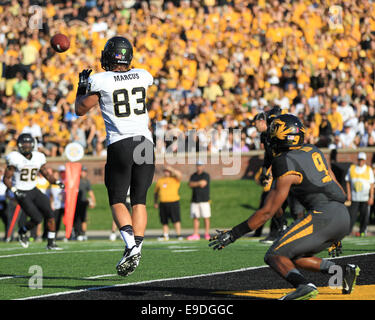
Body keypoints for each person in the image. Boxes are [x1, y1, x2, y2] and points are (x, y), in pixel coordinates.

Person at [209, 114, 359, 300]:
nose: (271, 142)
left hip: (324, 215)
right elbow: (337, 188)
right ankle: (342, 272)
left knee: (274, 254)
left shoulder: (285, 161)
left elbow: (267, 212)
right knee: (293, 256)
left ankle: (304, 286)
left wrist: (233, 234)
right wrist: (334, 231)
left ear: (282, 138)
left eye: (273, 137)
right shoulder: (313, 150)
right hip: (341, 215)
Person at [75, 36, 155, 277]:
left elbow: (79, 109)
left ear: (109, 56)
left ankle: (131, 245)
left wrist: (81, 87)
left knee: (117, 198)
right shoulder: (143, 74)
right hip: (146, 143)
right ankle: (137, 247)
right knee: (139, 199)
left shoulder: (100, 80)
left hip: (121, 143)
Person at [2, 133, 64, 250]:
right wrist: (14, 190)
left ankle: (51, 243)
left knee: (50, 214)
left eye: (28, 143)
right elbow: (6, 179)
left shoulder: (38, 157)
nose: (26, 146)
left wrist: (56, 182)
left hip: (33, 189)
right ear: (19, 145)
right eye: (24, 144)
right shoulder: (15, 158)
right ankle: (22, 231)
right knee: (37, 218)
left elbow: (45, 173)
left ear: (33, 144)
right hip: (21, 191)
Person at [345, 152, 374, 237]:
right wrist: (349, 193)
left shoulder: (369, 170)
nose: (361, 161)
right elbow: (347, 181)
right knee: (352, 216)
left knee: (364, 216)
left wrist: (371, 197)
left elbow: (372, 184)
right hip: (354, 197)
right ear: (357, 160)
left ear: (365, 160)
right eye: (359, 159)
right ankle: (348, 231)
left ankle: (362, 231)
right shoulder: (352, 168)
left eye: (362, 160)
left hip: (365, 198)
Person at [154, 166, 183, 241]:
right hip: (163, 203)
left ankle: (179, 235)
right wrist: (155, 202)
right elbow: (156, 192)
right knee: (164, 220)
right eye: (165, 171)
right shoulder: (160, 180)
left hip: (173, 202)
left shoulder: (175, 179)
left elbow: (179, 175)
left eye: (167, 171)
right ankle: (165, 235)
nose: (166, 172)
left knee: (176, 219)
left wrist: (172, 169)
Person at [187, 162, 211, 240]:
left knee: (206, 217)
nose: (198, 167)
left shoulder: (206, 175)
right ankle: (196, 234)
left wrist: (195, 183)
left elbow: (203, 183)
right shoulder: (193, 175)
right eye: (197, 165)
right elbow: (190, 184)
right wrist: (198, 183)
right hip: (195, 199)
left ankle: (207, 233)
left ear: (203, 166)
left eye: (200, 165)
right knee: (195, 217)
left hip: (204, 200)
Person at [73, 166, 96, 241]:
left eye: (85, 171)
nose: (83, 173)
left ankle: (83, 233)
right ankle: (77, 233)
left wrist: (93, 201)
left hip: (83, 202)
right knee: (76, 219)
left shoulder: (86, 181)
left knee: (83, 219)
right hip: (75, 202)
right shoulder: (75, 180)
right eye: (82, 171)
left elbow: (90, 192)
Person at [49, 168, 65, 239]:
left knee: (61, 221)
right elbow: (50, 194)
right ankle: (52, 235)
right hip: (54, 205)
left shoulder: (60, 182)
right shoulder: (51, 183)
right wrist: (51, 203)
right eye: (54, 175)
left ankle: (67, 234)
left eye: (56, 175)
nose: (55, 176)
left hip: (61, 204)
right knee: (54, 221)